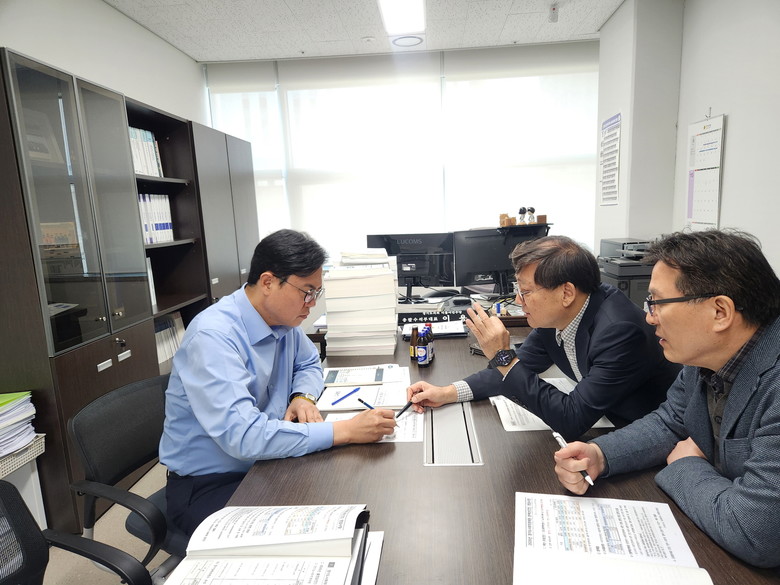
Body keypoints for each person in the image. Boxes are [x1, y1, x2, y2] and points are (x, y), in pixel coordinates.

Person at [553, 229, 780, 568]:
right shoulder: (702, 358)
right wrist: (600, 455)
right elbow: (670, 422)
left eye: (657, 302)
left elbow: (756, 533)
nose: (649, 317)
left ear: (720, 312)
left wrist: (686, 466)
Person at [160, 229, 396, 536]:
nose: (311, 304)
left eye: (317, 293)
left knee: (352, 496)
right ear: (268, 282)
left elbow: (308, 363)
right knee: (316, 532)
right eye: (306, 292)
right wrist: (346, 430)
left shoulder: (284, 321)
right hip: (211, 484)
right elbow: (245, 436)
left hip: (266, 460)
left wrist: (302, 396)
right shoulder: (213, 337)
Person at [407, 235, 681, 440]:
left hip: (643, 434)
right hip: (605, 420)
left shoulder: (619, 331)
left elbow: (571, 419)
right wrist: (447, 392)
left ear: (566, 293)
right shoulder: (555, 317)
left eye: (525, 292)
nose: (518, 300)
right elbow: (511, 369)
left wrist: (503, 356)